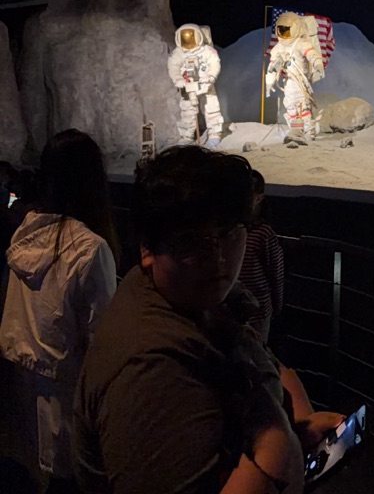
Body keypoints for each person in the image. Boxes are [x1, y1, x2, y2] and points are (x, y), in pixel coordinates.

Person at [73, 145, 342, 494]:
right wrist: (277, 446)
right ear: (148, 248)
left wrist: (296, 427)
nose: (216, 258)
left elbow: (262, 369)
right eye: (190, 242)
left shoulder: (194, 300)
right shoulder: (151, 372)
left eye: (228, 233)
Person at [1, 130, 120, 492]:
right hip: (68, 413)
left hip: (20, 408)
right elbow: (103, 347)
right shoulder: (90, 249)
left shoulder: (24, 234)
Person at [236, 170, 284, 343]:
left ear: (259, 198)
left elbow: (275, 273)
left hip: (258, 312)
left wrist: (276, 305)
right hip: (233, 308)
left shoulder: (263, 234)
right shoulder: (230, 230)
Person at [263, 12, 326, 141]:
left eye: (287, 31)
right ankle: (295, 131)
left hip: (300, 81)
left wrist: (318, 63)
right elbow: (272, 67)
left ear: (295, 28)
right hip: (288, 82)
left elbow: (312, 54)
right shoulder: (278, 48)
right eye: (281, 30)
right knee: (290, 106)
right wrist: (269, 82)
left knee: (303, 106)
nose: (284, 34)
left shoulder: (301, 43)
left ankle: (308, 132)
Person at [167, 23, 225, 145]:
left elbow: (214, 64)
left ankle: (214, 134)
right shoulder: (178, 53)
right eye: (185, 38)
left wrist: (211, 77)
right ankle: (187, 136)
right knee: (188, 112)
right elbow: (173, 67)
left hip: (206, 86)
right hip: (187, 87)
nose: (188, 40)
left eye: (191, 37)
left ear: (198, 36)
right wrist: (178, 80)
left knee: (211, 109)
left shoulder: (207, 51)